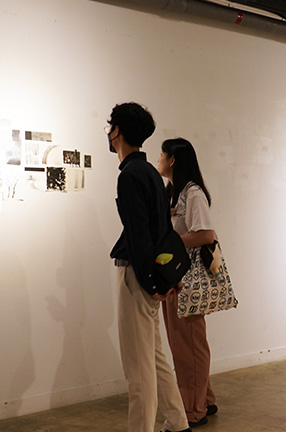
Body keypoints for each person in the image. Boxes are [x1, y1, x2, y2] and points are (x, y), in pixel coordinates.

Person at [106, 102, 192, 432]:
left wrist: (151, 281)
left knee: (138, 369)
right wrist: (167, 276)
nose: (108, 132)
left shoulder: (130, 175)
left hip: (136, 276)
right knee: (154, 358)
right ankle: (178, 423)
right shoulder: (150, 174)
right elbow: (162, 231)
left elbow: (141, 234)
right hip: (149, 274)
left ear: (117, 131)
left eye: (110, 126)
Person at [156, 138, 219, 427]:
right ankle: (204, 399)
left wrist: (170, 243)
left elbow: (206, 234)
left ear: (172, 160)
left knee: (189, 345)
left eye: (162, 154)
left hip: (187, 280)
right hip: (175, 277)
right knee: (183, 343)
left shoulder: (192, 193)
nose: (159, 159)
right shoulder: (174, 193)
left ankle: (194, 410)